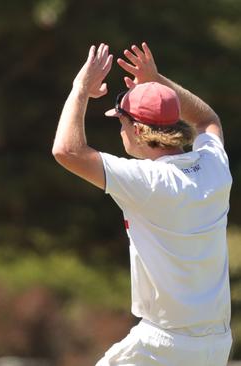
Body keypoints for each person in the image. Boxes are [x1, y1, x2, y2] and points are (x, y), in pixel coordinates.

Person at [52, 42, 232, 365]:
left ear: (136, 129)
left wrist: (79, 89)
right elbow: (207, 119)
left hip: (163, 346)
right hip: (217, 344)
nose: (121, 131)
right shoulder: (214, 168)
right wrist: (157, 80)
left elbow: (66, 150)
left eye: (121, 123)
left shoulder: (146, 182)